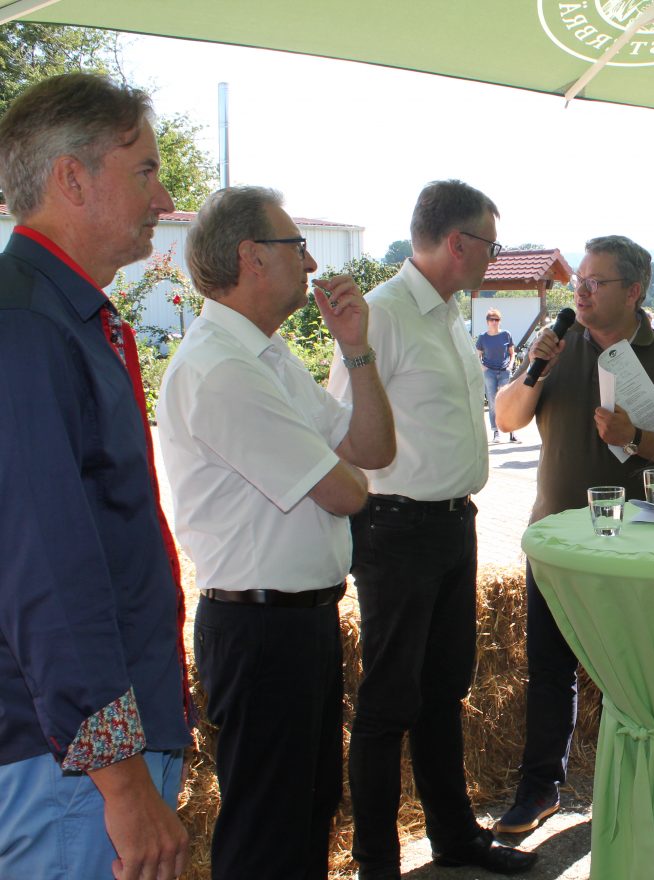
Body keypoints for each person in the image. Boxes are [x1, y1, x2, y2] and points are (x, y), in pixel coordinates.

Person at [158, 186, 396, 879]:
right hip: (260, 633)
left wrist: (356, 351)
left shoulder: (266, 356)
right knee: (268, 833)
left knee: (306, 814)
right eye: (297, 248)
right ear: (251, 257)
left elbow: (372, 450)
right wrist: (345, 471)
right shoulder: (224, 369)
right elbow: (349, 491)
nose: (312, 264)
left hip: (294, 625)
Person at [0, 72, 192, 880]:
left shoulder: (63, 314)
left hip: (76, 763)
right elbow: (46, 572)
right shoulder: (28, 327)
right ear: (71, 179)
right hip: (69, 772)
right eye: (144, 169)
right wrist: (119, 780)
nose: (162, 195)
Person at [326, 180, 536, 878]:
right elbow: (341, 428)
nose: (492, 258)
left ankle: (454, 839)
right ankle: (377, 862)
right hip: (397, 530)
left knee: (445, 688)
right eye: (489, 244)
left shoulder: (446, 312)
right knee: (389, 703)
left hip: (452, 525)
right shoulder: (381, 315)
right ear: (458, 243)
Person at [493, 235, 654, 834]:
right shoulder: (556, 347)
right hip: (556, 539)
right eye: (579, 280)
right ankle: (539, 790)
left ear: (634, 290)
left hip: (637, 540)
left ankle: (638, 785)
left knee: (634, 668)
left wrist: (637, 437)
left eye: (596, 281)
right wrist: (536, 370)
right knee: (548, 670)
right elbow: (506, 419)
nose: (580, 290)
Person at [477, 307, 518, 443]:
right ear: (487, 322)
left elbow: (512, 353)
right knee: (493, 402)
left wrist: (510, 365)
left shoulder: (506, 334)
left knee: (506, 401)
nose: (494, 322)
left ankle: (512, 432)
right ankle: (496, 432)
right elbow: (477, 355)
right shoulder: (483, 337)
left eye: (497, 320)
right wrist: (483, 368)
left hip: (504, 370)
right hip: (489, 372)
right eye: (491, 320)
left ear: (500, 321)